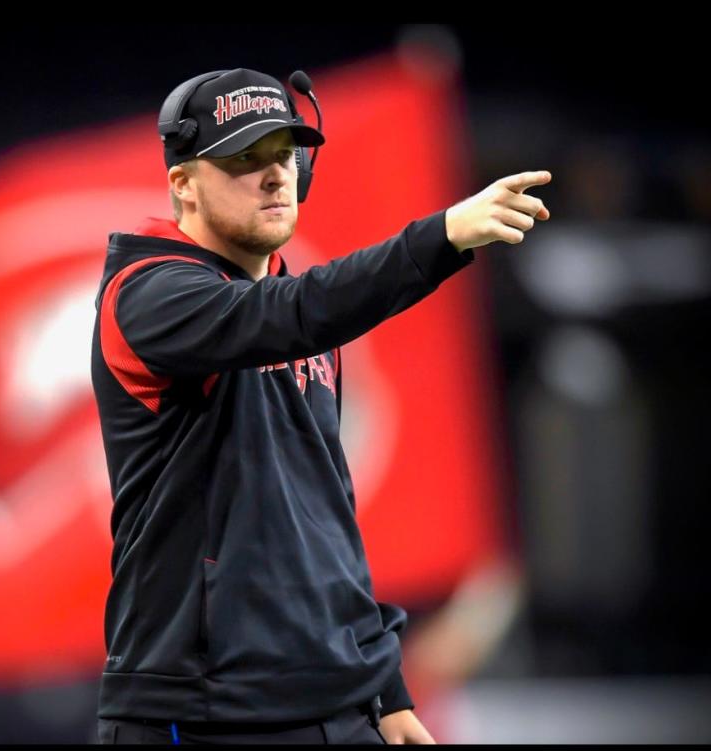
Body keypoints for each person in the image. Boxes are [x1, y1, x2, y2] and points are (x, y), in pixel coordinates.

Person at [90, 67, 551, 745]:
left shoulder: (290, 309)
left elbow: (325, 512)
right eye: (245, 158)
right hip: (205, 713)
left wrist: (384, 687)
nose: (276, 175)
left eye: (286, 154)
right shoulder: (147, 295)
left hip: (337, 708)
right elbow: (291, 313)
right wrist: (442, 234)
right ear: (183, 184)